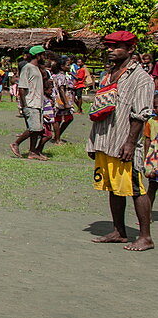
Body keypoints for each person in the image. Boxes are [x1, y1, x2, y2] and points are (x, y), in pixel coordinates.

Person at [87, 31, 154, 251]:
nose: (110, 50)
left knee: (135, 187)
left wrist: (130, 142)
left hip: (125, 141)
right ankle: (119, 231)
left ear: (130, 50)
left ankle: (145, 236)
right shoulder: (108, 75)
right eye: (109, 46)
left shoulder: (140, 78)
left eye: (116, 47)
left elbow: (141, 114)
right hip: (106, 140)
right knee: (113, 187)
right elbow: (99, 109)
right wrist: (93, 142)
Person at [11, 46, 47, 159]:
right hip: (30, 103)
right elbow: (22, 88)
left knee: (37, 130)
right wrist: (24, 105)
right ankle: (16, 143)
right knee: (34, 128)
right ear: (38, 55)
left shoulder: (36, 68)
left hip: (37, 103)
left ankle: (33, 152)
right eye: (43, 55)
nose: (44, 57)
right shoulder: (28, 68)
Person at [51, 55, 76, 144]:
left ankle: (57, 136)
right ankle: (57, 139)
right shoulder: (61, 76)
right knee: (57, 119)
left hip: (64, 100)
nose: (69, 67)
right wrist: (65, 103)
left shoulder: (63, 76)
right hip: (61, 100)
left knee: (68, 118)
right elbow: (61, 90)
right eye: (68, 65)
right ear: (62, 66)